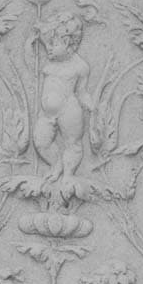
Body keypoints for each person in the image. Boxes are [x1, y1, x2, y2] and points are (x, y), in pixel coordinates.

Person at [32, 10, 93, 183]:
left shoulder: (80, 66)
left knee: (72, 143)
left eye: (53, 44)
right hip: (46, 114)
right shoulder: (51, 61)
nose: (48, 48)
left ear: (67, 43)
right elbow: (42, 38)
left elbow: (81, 91)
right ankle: (56, 164)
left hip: (68, 109)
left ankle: (68, 174)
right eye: (47, 44)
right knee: (41, 141)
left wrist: (91, 107)